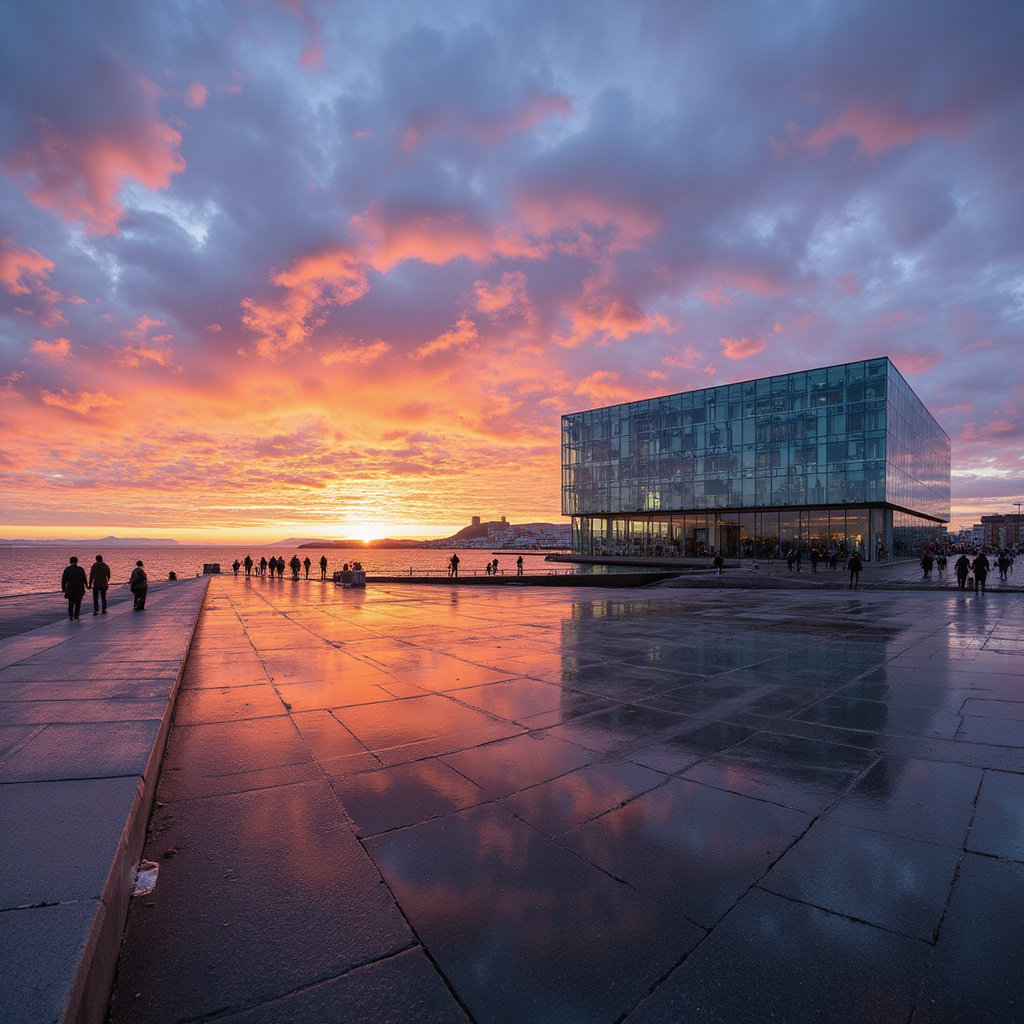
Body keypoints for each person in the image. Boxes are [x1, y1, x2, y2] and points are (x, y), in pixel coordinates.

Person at [61, 556, 88, 620]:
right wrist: (87, 585)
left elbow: (64, 580)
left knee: (71, 603)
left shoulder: (67, 569)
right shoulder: (80, 569)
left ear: (70, 562)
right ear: (77, 562)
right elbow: (84, 579)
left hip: (70, 589)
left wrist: (63, 588)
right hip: (79, 589)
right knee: (78, 604)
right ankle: (76, 616)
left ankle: (71, 616)